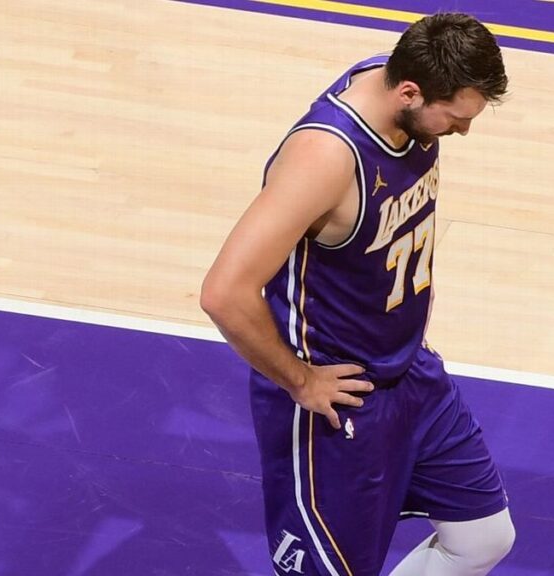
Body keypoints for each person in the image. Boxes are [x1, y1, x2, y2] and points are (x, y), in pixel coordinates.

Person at [201, 12, 515, 576]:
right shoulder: (326, 158)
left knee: (482, 538)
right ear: (411, 91)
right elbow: (224, 292)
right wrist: (300, 380)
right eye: (457, 118)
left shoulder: (393, 81)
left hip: (410, 373)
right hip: (339, 397)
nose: (464, 131)